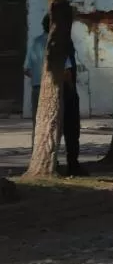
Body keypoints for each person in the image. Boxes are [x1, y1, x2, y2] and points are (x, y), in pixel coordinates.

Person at [22, 10, 84, 175]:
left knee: (41, 127)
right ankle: (72, 164)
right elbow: (66, 71)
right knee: (70, 127)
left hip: (38, 89)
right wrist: (70, 88)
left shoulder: (36, 42)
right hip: (61, 88)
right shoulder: (59, 43)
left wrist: (40, 77)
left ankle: (45, 162)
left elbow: (27, 69)